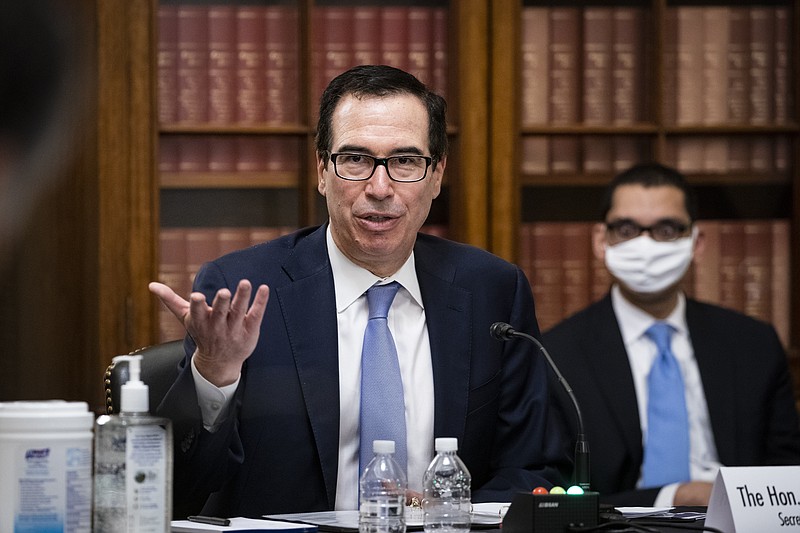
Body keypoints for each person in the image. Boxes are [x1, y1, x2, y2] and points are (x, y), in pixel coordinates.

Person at [151, 64, 568, 518]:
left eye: (406, 162)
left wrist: (448, 515)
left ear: (437, 174)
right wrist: (214, 373)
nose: (380, 188)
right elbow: (179, 488)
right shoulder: (243, 292)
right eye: (356, 160)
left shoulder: (492, 290)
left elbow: (536, 468)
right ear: (322, 171)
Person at [543, 163, 800, 507]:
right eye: (627, 229)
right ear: (600, 241)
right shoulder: (558, 355)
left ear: (697, 242)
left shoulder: (754, 344)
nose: (646, 245)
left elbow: (787, 475)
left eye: (666, 229)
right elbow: (555, 494)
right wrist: (674, 496)